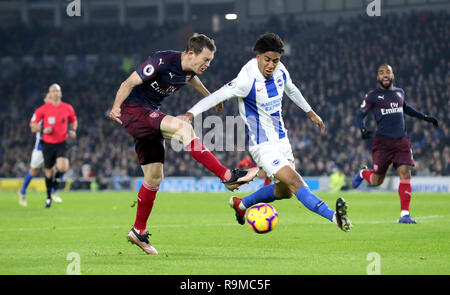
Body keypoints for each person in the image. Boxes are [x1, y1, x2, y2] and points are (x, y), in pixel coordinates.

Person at [180, 33, 352, 232]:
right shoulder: (246, 79)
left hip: (281, 139)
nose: (271, 65)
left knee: (285, 192)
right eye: (267, 60)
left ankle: (241, 204)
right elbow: (217, 95)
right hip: (262, 145)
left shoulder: (280, 70)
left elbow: (291, 88)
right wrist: (191, 113)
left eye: (276, 60)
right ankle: (335, 217)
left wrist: (311, 112)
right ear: (258, 57)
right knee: (296, 181)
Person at [109, 33, 259, 255]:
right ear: (191, 53)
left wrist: (210, 97)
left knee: (154, 177)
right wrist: (115, 107)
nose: (207, 65)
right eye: (205, 60)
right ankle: (226, 176)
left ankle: (138, 231)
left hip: (150, 115)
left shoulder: (189, 71)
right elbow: (128, 82)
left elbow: (192, 80)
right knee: (184, 128)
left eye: (210, 61)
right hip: (134, 110)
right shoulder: (162, 61)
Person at [352, 64, 439, 224]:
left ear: (392, 75)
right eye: (381, 73)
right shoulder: (372, 96)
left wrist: (425, 117)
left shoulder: (399, 92)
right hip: (382, 143)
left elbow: (406, 108)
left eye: (388, 72)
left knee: (405, 172)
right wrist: (363, 129)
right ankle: (363, 174)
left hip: (401, 141)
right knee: (378, 181)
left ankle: (404, 214)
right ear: (378, 77)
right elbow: (359, 116)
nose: (385, 75)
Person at [30, 84, 78, 208]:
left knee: (63, 167)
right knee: (48, 172)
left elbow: (73, 120)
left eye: (57, 91)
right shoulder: (43, 109)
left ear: (61, 93)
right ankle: (48, 198)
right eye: (53, 91)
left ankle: (56, 183)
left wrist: (73, 130)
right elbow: (32, 125)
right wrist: (42, 129)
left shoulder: (67, 108)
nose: (56, 93)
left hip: (62, 142)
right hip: (47, 144)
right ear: (49, 95)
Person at [18, 93, 62, 206]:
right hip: (40, 148)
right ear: (45, 99)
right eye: (49, 97)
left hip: (53, 146)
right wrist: (43, 129)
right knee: (33, 171)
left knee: (58, 167)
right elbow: (33, 127)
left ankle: (53, 192)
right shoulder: (40, 112)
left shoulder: (57, 112)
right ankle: (22, 192)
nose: (52, 99)